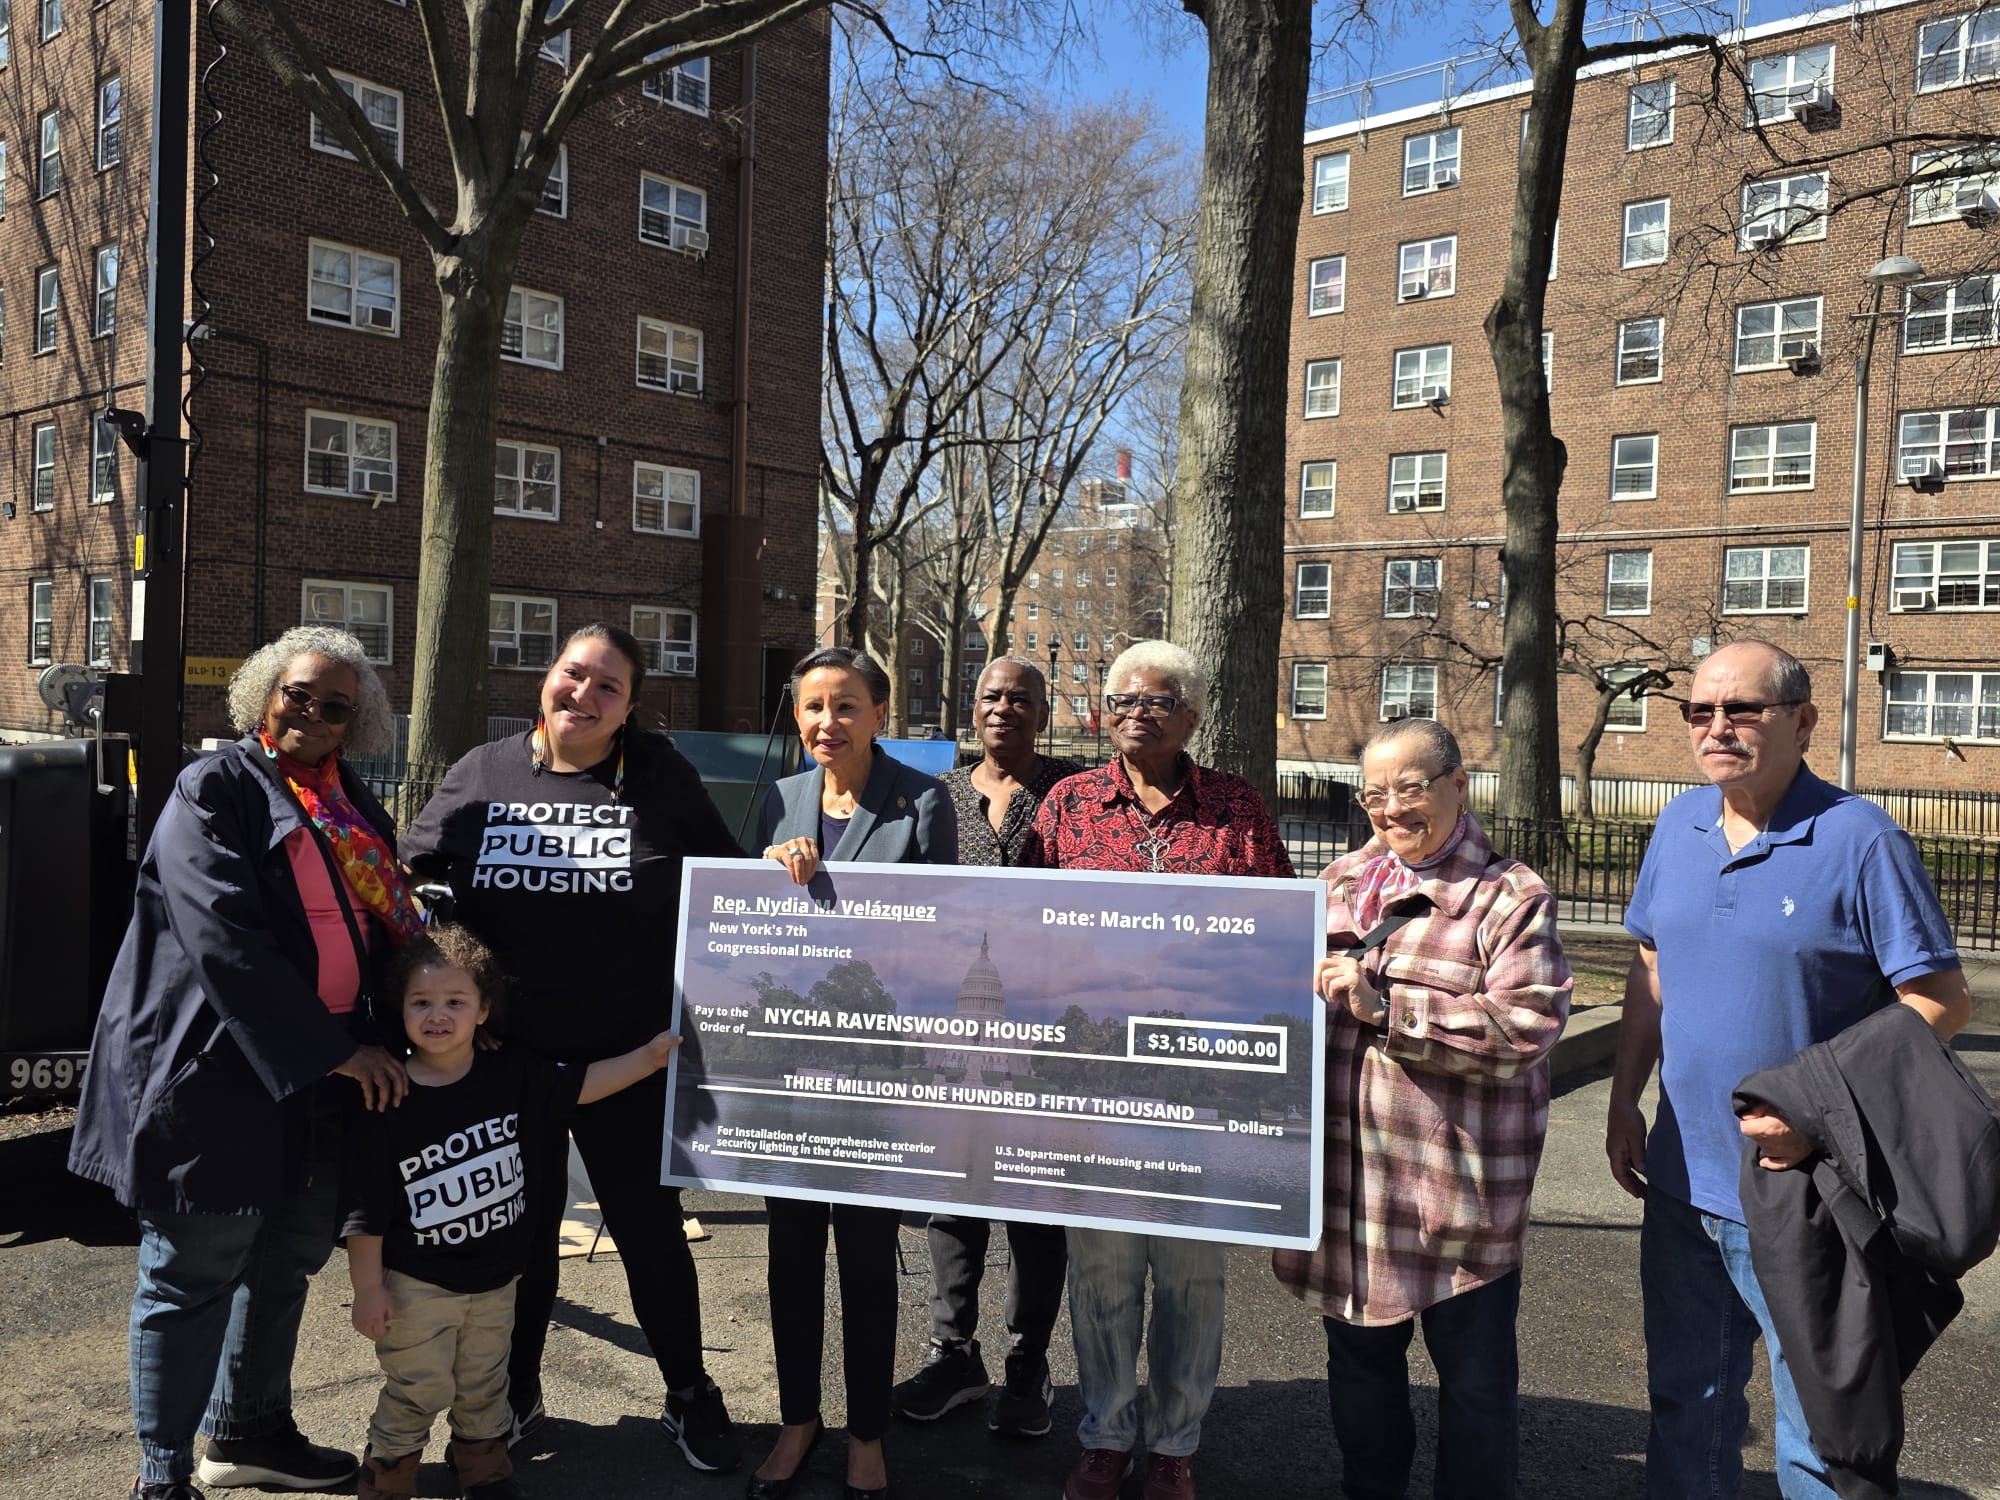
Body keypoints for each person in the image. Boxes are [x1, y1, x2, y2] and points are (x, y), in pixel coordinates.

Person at [1603, 641, 1972, 1499]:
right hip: (1682, 1178)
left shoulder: (1860, 838)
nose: (1717, 727)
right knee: (1686, 1408)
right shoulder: (1677, 823)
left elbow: (1942, 1002)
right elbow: (1653, 967)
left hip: (1807, 1190)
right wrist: (1625, 1096)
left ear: (1802, 722)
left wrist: (1815, 1106)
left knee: (1818, 1436)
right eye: (1701, 711)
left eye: (1743, 710)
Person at [69, 627, 419, 1500]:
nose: (313, 714)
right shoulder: (213, 788)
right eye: (299, 693)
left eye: (336, 706)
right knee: (193, 1272)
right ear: (265, 690)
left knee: (287, 1261)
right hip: (220, 1070)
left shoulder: (346, 804)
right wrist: (337, 1052)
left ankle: (249, 1430)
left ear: (356, 724)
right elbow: (224, 939)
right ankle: (162, 1474)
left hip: (324, 1077)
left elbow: (388, 922)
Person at [400, 622, 746, 1472]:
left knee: (649, 1233)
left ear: (629, 709)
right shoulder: (484, 771)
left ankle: (688, 1392)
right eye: (573, 675)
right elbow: (411, 874)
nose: (583, 697)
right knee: (522, 1238)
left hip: (629, 1060)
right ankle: (515, 1394)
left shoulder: (658, 775)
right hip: (510, 1066)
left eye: (607, 688)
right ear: (545, 678)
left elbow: (729, 886)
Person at [1270, 719, 1572, 1500]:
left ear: (1458, 784)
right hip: (1351, 1197)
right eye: (1375, 794)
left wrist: (1387, 1008)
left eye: (1411, 788)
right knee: (1360, 1377)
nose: (1392, 809)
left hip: (1455, 1202)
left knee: (1475, 1389)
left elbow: (1526, 1027)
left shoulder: (1509, 896)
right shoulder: (1334, 884)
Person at [1033, 640, 1294, 1500]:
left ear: (1193, 715)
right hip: (1094, 1076)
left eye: (1157, 700)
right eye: (1121, 699)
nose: (1135, 712)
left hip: (1201, 1080)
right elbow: (1029, 926)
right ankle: (1105, 1434)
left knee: (1189, 1272)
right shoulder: (1067, 805)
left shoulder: (1236, 808)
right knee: (1101, 1268)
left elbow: (1277, 933)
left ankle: (1176, 1444)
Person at [343, 926, 682, 1500]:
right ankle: (388, 1476)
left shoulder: (512, 1073)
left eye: (456, 1001)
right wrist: (368, 1288)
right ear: (397, 1010)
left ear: (483, 1011)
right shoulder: (389, 1094)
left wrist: (647, 1061)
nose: (438, 1015)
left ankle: (485, 1469)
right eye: (421, 1003)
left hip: (498, 1282)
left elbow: (580, 1085)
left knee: (485, 1386)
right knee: (416, 1389)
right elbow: (364, 1209)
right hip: (414, 1288)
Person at [755, 645, 957, 1500]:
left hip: (877, 1070)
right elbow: (744, 920)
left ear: (880, 714)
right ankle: (799, 1419)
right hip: (793, 1067)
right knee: (791, 1253)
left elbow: (942, 929)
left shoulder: (923, 801)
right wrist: (765, 874)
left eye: (845, 706)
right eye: (811, 707)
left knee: (869, 1258)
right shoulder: (778, 798)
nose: (826, 723)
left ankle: (866, 1429)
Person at [891, 657, 1079, 1438]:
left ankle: (1027, 1360)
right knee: (953, 1198)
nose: (1005, 709)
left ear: (1044, 711)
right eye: (992, 697)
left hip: (1039, 1019)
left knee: (1036, 1204)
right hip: (955, 1018)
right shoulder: (933, 798)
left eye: (1021, 699)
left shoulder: (1078, 793)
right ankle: (953, 1352)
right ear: (972, 709)